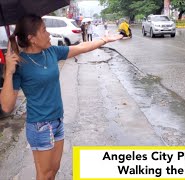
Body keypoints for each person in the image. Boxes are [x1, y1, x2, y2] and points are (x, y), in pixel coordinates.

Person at [1, 14, 123, 180]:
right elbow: (7, 106)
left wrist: (104, 40)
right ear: (32, 39)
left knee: (53, 171)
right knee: (44, 175)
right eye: (44, 30)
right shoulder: (20, 64)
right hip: (40, 125)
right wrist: (8, 72)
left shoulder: (51, 52)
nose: (49, 34)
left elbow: (81, 47)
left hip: (57, 121)